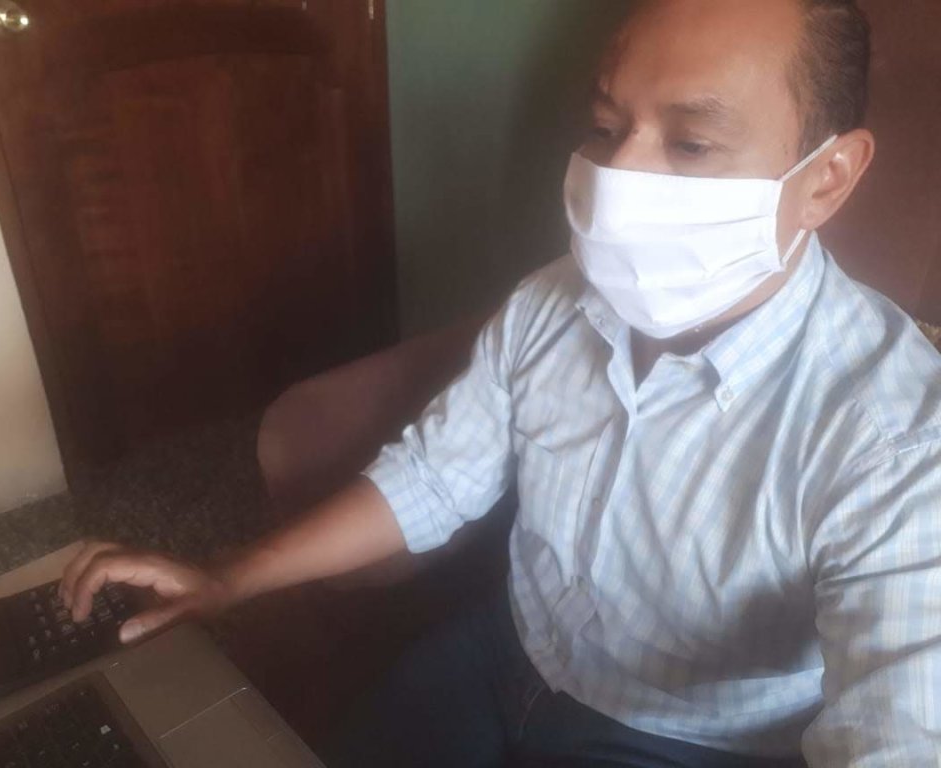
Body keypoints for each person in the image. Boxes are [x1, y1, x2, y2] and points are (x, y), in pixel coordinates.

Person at [61, 0, 941, 765]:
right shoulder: (551, 303)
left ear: (827, 177)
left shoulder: (896, 441)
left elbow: (902, 718)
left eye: (692, 143)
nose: (619, 180)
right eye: (607, 127)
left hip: (680, 738)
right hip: (505, 649)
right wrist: (227, 576)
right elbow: (437, 475)